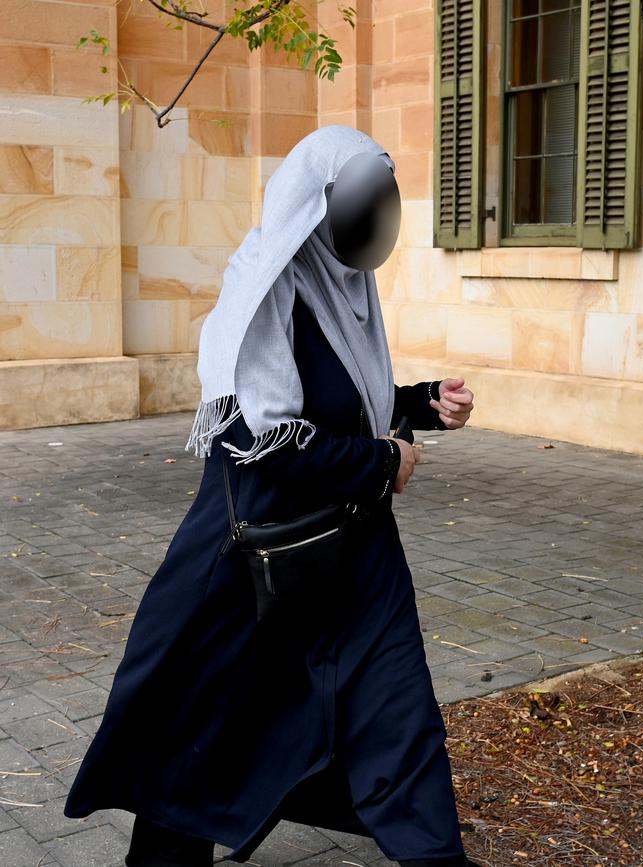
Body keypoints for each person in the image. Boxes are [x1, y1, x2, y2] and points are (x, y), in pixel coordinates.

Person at [63, 124, 478, 867]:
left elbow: (346, 402)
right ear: (314, 209)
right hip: (259, 560)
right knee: (202, 717)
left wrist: (417, 402)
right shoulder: (263, 293)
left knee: (400, 714)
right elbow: (265, 439)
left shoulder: (349, 289)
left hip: (359, 559)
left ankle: (435, 855)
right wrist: (383, 462)